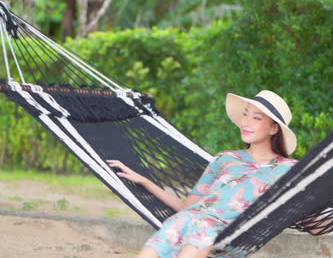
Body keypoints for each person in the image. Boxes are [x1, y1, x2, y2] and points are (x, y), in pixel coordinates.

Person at [106, 90, 298, 258]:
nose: (245, 122)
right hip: (193, 221)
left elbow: (310, 214)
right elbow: (187, 207)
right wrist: (145, 181)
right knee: (179, 222)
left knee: (201, 226)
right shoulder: (224, 159)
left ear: (274, 128)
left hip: (233, 235)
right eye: (245, 115)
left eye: (256, 118)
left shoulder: (289, 169)